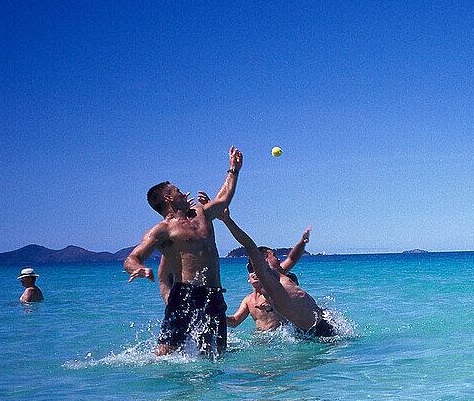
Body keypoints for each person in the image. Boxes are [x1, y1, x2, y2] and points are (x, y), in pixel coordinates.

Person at [123, 147, 243, 356]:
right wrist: (140, 268)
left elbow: (223, 200)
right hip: (186, 295)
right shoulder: (162, 230)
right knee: (167, 356)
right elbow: (132, 258)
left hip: (214, 294)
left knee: (217, 355)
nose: (183, 192)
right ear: (169, 198)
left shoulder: (201, 213)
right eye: (177, 190)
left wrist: (233, 169)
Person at [217, 209, 338, 338]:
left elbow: (292, 258)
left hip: (321, 323)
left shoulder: (277, 273)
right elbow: (249, 245)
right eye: (274, 256)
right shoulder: (267, 278)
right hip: (315, 331)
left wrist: (302, 243)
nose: (279, 258)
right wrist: (227, 220)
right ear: (264, 260)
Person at [226, 226, 313, 331]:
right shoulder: (248, 300)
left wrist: (270, 307)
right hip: (263, 340)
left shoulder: (274, 286)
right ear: (248, 279)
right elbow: (235, 321)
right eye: (251, 271)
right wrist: (218, 317)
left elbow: (292, 259)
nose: (279, 258)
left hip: (280, 337)